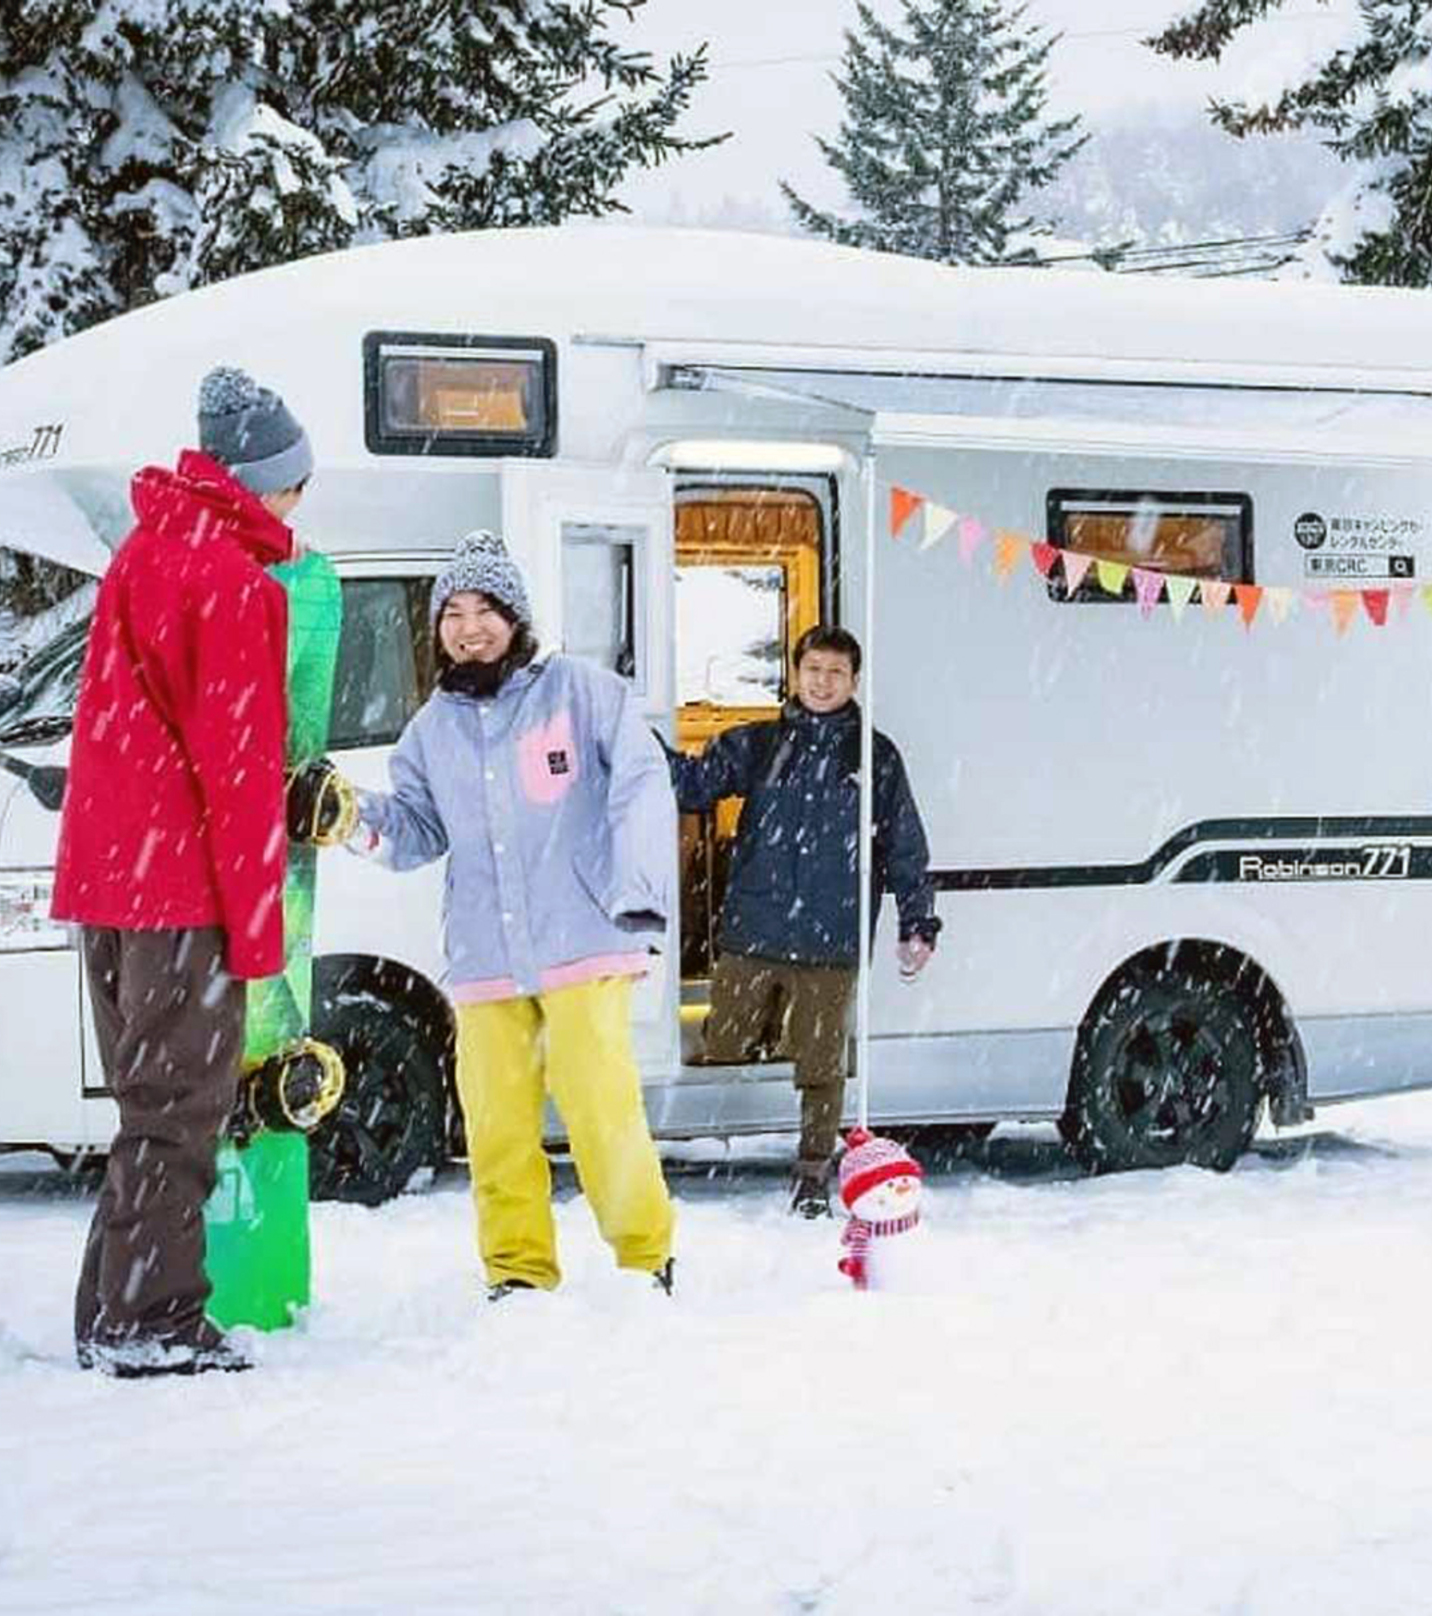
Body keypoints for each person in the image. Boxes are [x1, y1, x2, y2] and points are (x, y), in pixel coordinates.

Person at [53, 366, 315, 1376]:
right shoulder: (234, 584)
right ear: (260, 482)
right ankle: (150, 1320)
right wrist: (258, 936)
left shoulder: (144, 554)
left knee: (145, 1105)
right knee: (179, 1111)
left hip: (111, 882)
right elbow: (239, 770)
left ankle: (111, 1306)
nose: (299, 500)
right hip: (178, 893)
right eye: (295, 480)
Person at [347, 531, 680, 1298]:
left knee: (602, 1111)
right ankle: (519, 1272)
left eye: (486, 608)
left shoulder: (582, 693)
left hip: (584, 940)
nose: (470, 627)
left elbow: (640, 783)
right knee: (495, 1126)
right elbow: (416, 831)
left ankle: (645, 1256)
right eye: (453, 613)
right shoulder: (431, 730)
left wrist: (634, 890)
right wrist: (353, 818)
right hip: (485, 958)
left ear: (516, 616)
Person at [667, 625, 941, 1217]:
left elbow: (904, 845)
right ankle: (768, 1052)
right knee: (725, 1041)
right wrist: (629, 744)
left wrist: (918, 922)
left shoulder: (874, 755)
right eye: (813, 670)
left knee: (821, 1066)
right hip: (754, 929)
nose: (823, 682)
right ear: (795, 675)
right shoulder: (760, 743)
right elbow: (692, 786)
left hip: (831, 935)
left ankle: (814, 1172)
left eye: (836, 673)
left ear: (854, 681)